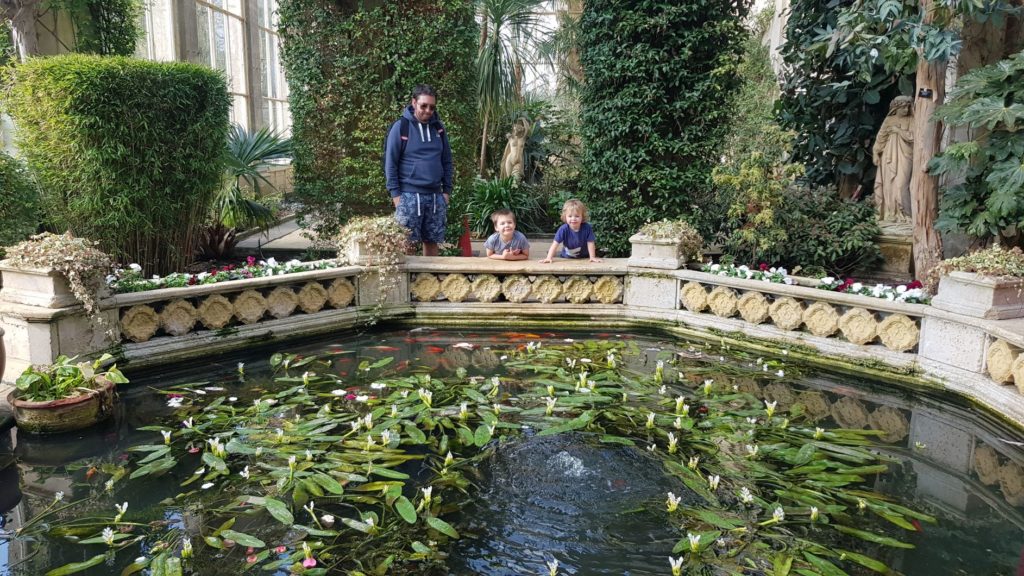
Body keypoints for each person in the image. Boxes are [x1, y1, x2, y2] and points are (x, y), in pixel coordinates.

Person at [385, 84, 454, 256]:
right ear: (414, 103)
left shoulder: (439, 128)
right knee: (406, 245)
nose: (428, 110)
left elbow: (447, 161)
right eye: (424, 105)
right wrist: (396, 197)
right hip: (408, 196)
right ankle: (409, 283)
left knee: (432, 243)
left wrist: (446, 191)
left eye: (432, 107)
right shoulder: (401, 127)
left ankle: (428, 281)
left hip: (435, 197)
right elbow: (390, 163)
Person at [872, 96, 913, 224]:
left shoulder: (913, 120)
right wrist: (875, 153)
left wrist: (898, 130)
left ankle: (906, 215)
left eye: (907, 107)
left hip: (906, 155)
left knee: (901, 185)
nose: (906, 110)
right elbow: (881, 137)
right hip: (888, 156)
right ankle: (891, 214)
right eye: (903, 107)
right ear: (896, 108)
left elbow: (914, 137)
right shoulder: (889, 120)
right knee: (888, 185)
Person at [540, 199, 602, 263]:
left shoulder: (587, 228)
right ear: (565, 217)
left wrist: (592, 257)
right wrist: (549, 258)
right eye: (570, 216)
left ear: (582, 217)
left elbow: (590, 243)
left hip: (584, 258)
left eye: (577, 216)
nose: (573, 219)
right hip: (566, 258)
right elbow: (555, 244)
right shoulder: (563, 229)